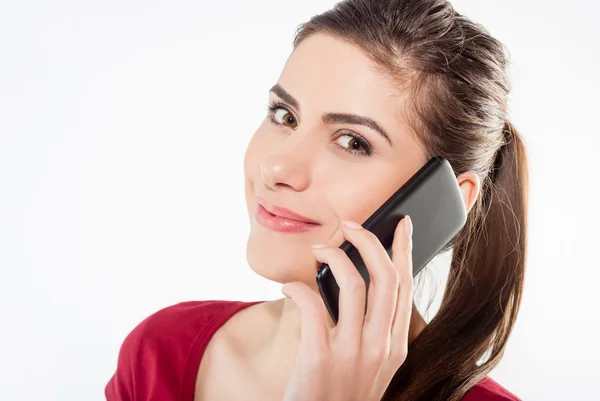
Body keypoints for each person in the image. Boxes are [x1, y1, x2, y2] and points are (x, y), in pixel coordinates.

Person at [105, 0, 528, 400]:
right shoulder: (159, 352)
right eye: (284, 116)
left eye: (352, 142)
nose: (276, 168)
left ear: (448, 198)